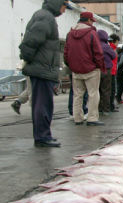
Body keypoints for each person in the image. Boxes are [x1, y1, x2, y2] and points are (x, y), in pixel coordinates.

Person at [19, 0, 71, 147]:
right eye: (63, 6)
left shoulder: (45, 16)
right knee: (42, 104)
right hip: (42, 69)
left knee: (44, 104)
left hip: (43, 68)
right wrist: (28, 58)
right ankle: (42, 137)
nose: (64, 10)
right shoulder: (45, 17)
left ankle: (43, 135)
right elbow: (31, 41)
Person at [64, 11, 105, 126]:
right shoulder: (92, 33)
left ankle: (78, 118)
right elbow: (98, 52)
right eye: (92, 21)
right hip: (91, 69)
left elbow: (66, 52)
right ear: (88, 20)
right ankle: (92, 118)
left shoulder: (70, 34)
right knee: (93, 93)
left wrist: (71, 65)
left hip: (76, 70)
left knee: (77, 95)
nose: (93, 23)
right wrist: (99, 66)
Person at [97, 30, 116, 115]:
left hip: (96, 70)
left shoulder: (94, 45)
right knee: (106, 90)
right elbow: (114, 55)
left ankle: (99, 108)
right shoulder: (106, 46)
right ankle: (106, 109)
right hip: (106, 70)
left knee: (97, 90)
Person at [108, 34, 120, 112]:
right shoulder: (111, 48)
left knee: (111, 90)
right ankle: (111, 106)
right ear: (114, 41)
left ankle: (111, 105)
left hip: (112, 71)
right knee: (111, 90)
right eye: (117, 42)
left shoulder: (112, 48)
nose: (118, 43)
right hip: (111, 71)